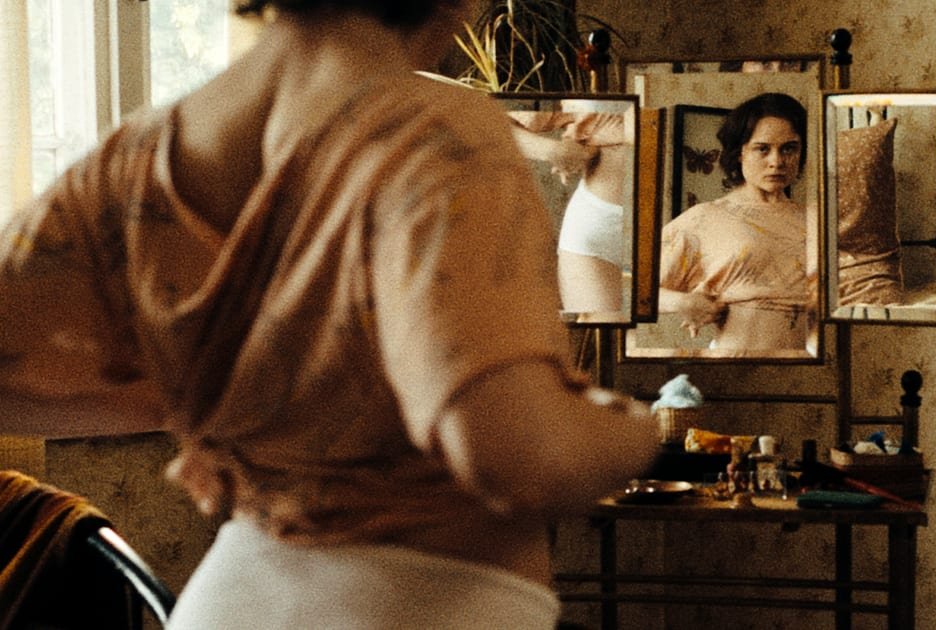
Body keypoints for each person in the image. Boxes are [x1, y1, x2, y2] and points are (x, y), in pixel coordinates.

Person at [0, 1, 659, 628]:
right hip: (420, 606)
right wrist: (641, 432)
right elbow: (519, 457)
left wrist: (202, 400)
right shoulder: (433, 130)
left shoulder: (132, 159)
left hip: (228, 600)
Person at [658, 92, 814, 355]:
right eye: (762, 149)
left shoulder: (815, 218)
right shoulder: (705, 217)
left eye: (789, 148)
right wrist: (684, 302)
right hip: (738, 362)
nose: (777, 161)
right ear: (740, 152)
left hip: (810, 366)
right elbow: (641, 291)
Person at [508, 100, 632, 316]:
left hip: (672, 227)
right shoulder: (578, 95)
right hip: (596, 230)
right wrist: (554, 150)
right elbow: (493, 128)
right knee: (602, 331)